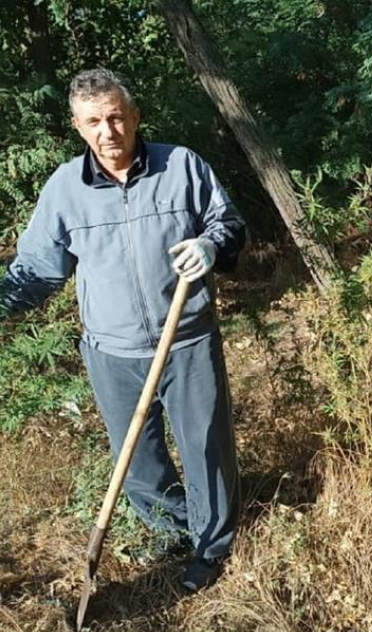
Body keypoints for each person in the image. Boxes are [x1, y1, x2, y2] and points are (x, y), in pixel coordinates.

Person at [0, 68, 245, 592]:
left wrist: (211, 245)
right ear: (77, 127)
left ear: (134, 116)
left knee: (206, 447)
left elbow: (228, 225)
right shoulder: (66, 188)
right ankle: (174, 529)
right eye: (94, 122)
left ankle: (211, 548)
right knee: (136, 459)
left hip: (187, 340)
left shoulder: (181, 166)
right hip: (111, 350)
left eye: (116, 117)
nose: (107, 131)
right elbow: (38, 269)